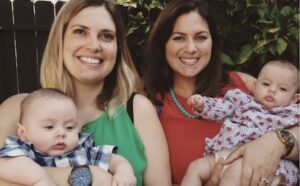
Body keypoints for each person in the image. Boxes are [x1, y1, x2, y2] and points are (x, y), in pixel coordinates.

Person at [0, 0, 171, 185]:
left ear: (118, 48)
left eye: (106, 36)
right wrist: (89, 176)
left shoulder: (137, 109)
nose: (94, 45)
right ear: (60, 39)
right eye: (80, 32)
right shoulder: (18, 108)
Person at [142, 0, 299, 185]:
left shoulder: (242, 84)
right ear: (163, 44)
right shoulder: (150, 106)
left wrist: (277, 142)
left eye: (200, 37)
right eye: (179, 38)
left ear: (213, 42)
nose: (191, 48)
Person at [181, 60, 299, 186]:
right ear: (255, 86)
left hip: (260, 164)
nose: (272, 90)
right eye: (266, 84)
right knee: (195, 167)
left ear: (294, 99)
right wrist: (203, 104)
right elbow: (222, 108)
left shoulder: (291, 113)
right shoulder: (242, 101)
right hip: (225, 153)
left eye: (282, 88)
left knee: (235, 173)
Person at [0, 88, 136, 186]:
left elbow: (115, 160)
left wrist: (124, 172)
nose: (61, 133)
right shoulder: (24, 151)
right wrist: (39, 179)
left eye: (69, 127)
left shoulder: (82, 151)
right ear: (23, 133)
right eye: (49, 127)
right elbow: (5, 165)